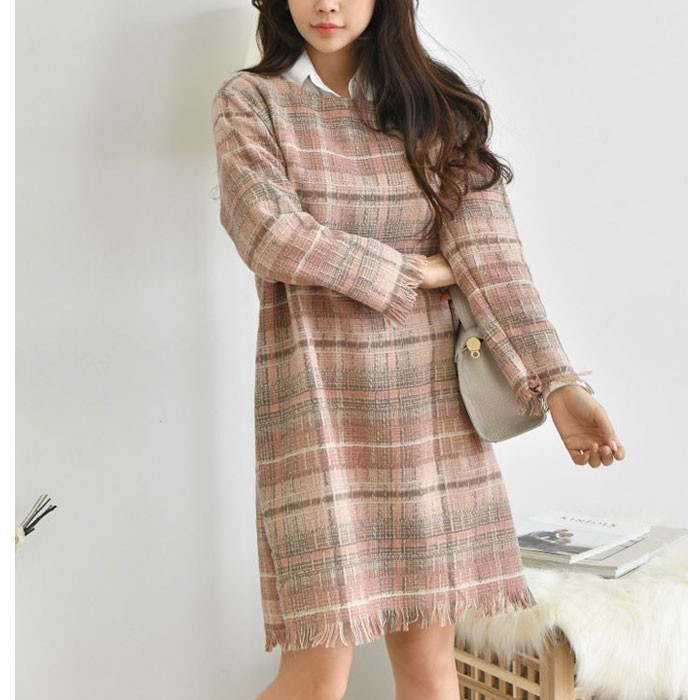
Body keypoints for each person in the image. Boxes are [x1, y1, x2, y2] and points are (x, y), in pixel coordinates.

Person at [210, 1, 625, 698]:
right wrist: (419, 270)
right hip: (316, 410)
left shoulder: (438, 108)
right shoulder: (253, 101)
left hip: (435, 416)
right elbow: (269, 234)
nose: (327, 4)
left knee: (429, 667)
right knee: (316, 676)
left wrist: (559, 384)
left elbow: (493, 260)